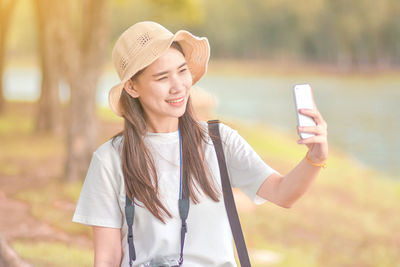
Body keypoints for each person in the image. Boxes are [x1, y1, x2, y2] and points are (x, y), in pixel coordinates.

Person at [72, 21, 328, 267]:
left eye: (182, 71)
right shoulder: (110, 159)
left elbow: (284, 193)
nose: (178, 86)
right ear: (132, 87)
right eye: (162, 78)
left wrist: (315, 157)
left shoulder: (218, 141)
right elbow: (106, 259)